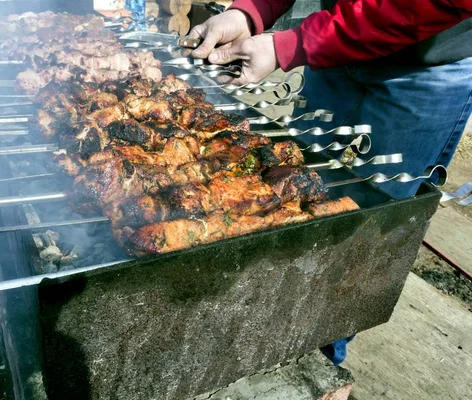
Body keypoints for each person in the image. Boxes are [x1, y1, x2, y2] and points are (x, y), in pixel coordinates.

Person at [186, 0, 472, 365]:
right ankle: (259, 324)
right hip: (333, 44)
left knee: (371, 230)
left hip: (426, 62)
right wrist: (249, 12)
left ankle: (319, 356)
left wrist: (291, 46)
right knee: (293, 183)